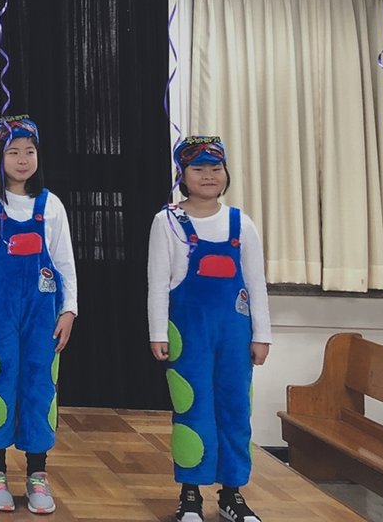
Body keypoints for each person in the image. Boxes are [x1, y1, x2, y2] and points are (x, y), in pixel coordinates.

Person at [0, 114, 77, 515]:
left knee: (41, 388)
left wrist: (69, 310)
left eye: (30, 151)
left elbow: (65, 264)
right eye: (13, 152)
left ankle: (37, 474)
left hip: (44, 317)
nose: (23, 159)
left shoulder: (51, 205)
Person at [148, 136, 271, 522]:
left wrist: (262, 335)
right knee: (192, 407)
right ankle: (190, 495)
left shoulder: (241, 223)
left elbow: (256, 283)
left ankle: (232, 494)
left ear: (226, 173)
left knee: (236, 408)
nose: (208, 176)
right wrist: (158, 332)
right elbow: (158, 282)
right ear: (182, 175)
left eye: (215, 168)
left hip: (235, 336)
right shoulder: (168, 221)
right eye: (198, 169)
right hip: (188, 335)